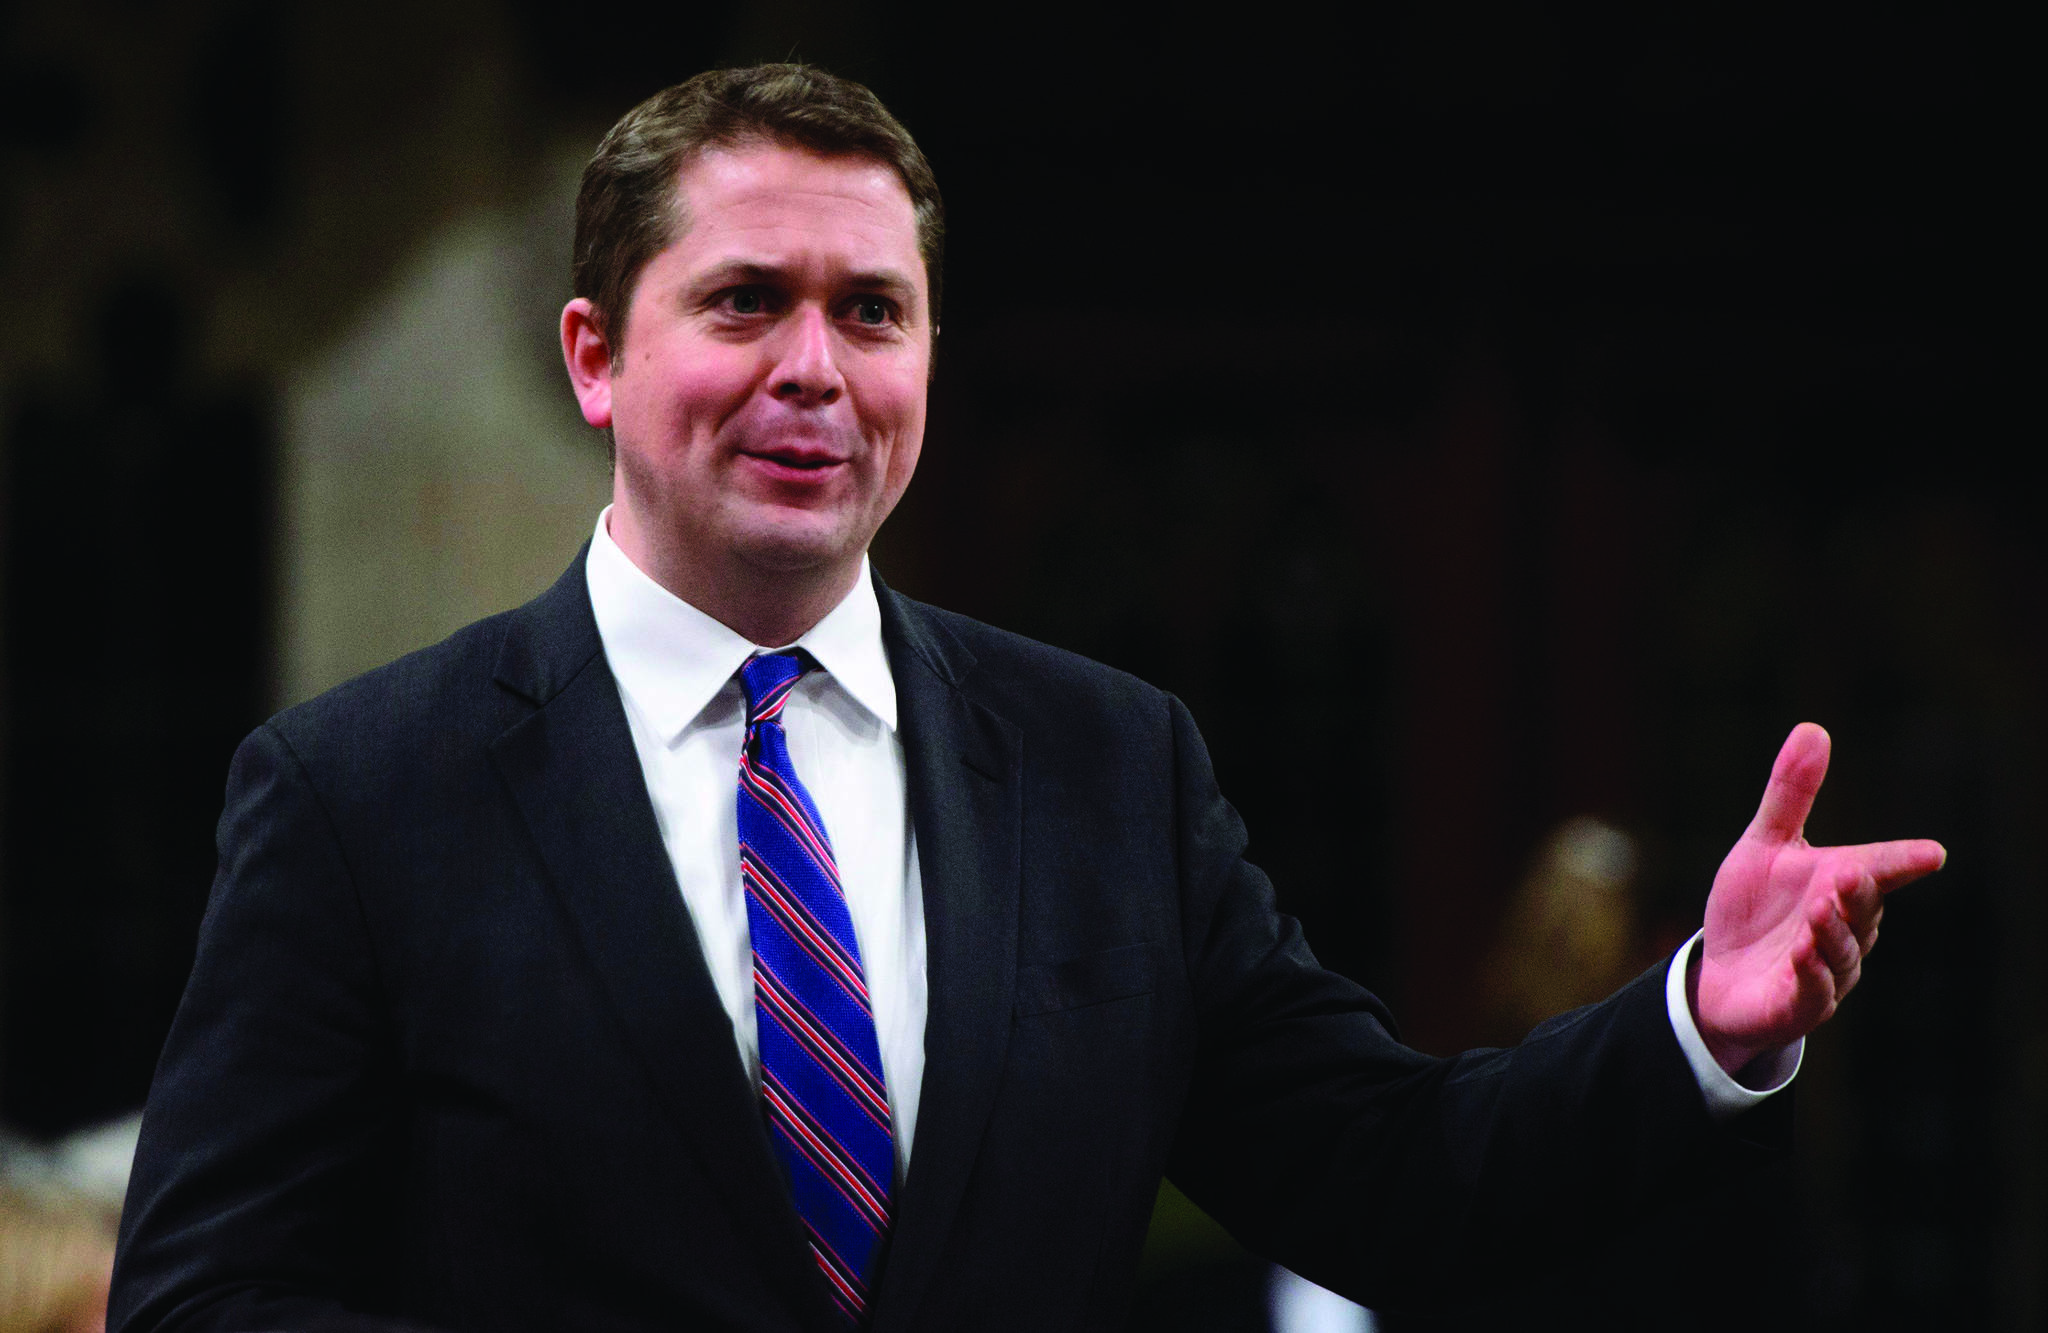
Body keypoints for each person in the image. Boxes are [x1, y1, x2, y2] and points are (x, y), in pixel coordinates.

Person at [106, 65, 1944, 1332]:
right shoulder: (364, 791)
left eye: (873, 311)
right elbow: (201, 1299)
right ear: (597, 356)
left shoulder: (1107, 769)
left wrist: (1703, 1020)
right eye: (746, 302)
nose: (814, 370)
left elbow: (1399, 1181)